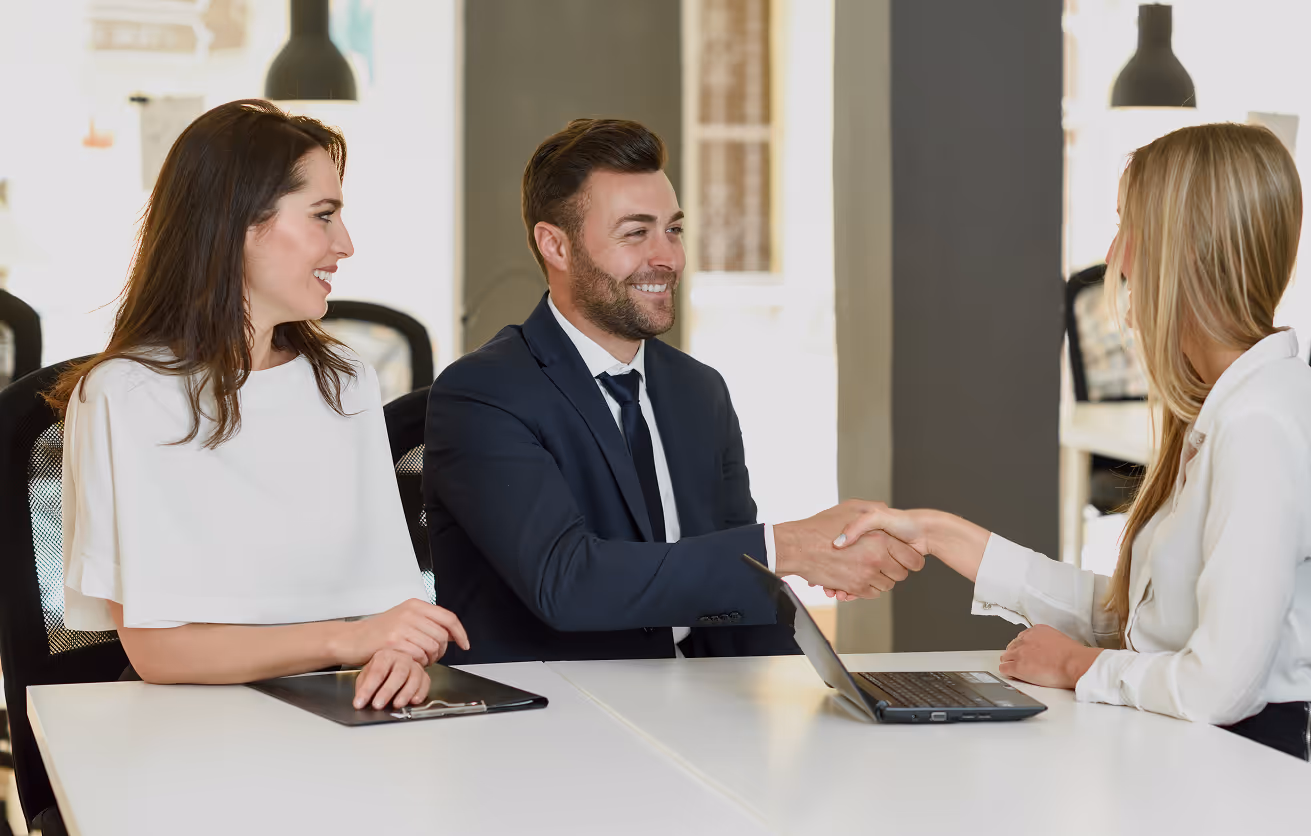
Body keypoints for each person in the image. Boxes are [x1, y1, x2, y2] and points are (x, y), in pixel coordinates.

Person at [835, 123, 1311, 779]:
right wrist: (938, 533)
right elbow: (1140, 623)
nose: (1115, 257)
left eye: (1129, 228)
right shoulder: (1231, 405)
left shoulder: (1262, 423)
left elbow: (1219, 686)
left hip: (1282, 773)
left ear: (1189, 248)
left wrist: (1074, 665)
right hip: (1225, 756)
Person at [424, 118, 922, 664]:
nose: (668, 257)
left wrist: (814, 692)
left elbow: (744, 589)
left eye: (674, 230)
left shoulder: (698, 391)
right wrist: (790, 548)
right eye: (636, 233)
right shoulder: (483, 393)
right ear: (556, 246)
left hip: (696, 702)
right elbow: (567, 582)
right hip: (552, 716)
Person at [51, 100, 469, 713]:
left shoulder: (345, 381)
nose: (344, 244)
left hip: (338, 714)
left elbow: (388, 602)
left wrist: (396, 655)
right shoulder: (124, 395)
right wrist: (348, 641)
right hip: (186, 729)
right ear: (236, 224)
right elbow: (160, 653)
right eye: (323, 216)